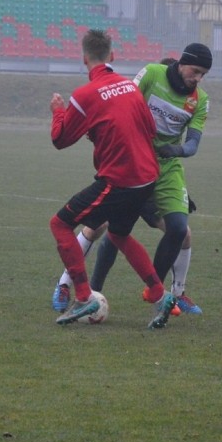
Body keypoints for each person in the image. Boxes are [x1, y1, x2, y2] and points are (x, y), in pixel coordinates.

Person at [53, 46, 211, 315]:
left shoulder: (200, 100)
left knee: (180, 232)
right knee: (100, 228)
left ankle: (175, 293)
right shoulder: (150, 75)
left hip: (160, 173)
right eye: (195, 71)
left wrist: (177, 151)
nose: (198, 78)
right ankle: (66, 284)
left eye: (203, 74)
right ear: (181, 65)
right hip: (132, 163)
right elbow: (122, 106)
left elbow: (193, 145)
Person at [49, 28, 177, 329]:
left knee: (60, 224)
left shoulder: (83, 96)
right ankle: (160, 296)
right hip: (147, 177)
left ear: (84, 59)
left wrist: (57, 111)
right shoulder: (130, 87)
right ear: (113, 55)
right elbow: (148, 128)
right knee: (118, 234)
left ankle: (83, 296)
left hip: (120, 180)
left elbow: (60, 139)